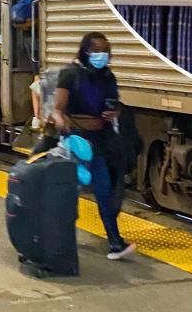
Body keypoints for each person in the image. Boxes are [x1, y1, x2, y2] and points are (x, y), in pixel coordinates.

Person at [52, 32, 136, 260]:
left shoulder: (108, 77)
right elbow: (58, 108)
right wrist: (62, 125)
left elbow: (115, 104)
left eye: (105, 51)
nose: (102, 55)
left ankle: (115, 243)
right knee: (67, 195)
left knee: (105, 192)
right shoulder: (70, 74)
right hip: (75, 141)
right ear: (86, 51)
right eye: (97, 50)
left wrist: (114, 112)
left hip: (99, 141)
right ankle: (58, 241)